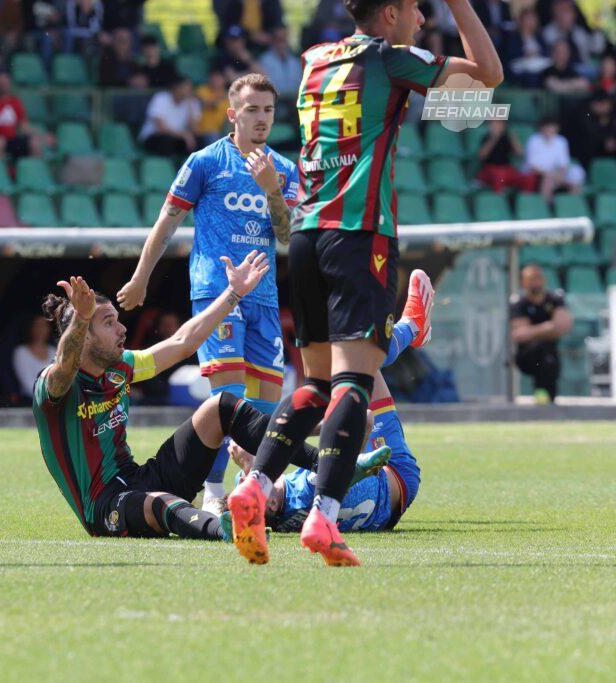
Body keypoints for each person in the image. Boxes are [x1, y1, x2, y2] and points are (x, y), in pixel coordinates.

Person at [228, 0, 501, 567]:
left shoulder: (314, 60)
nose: (424, 20)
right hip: (358, 235)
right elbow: (489, 76)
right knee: (354, 382)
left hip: (304, 234)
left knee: (315, 385)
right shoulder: (390, 59)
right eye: (419, 10)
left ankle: (254, 486)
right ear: (392, 13)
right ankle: (323, 519)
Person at [120, 73, 298, 516]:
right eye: (252, 110)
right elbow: (167, 222)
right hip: (218, 294)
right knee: (228, 401)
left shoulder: (284, 169)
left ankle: (250, 491)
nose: (261, 119)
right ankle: (215, 493)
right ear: (232, 114)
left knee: (264, 406)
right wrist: (142, 276)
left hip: (264, 297)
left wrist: (273, 191)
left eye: (268, 110)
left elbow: (289, 237)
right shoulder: (205, 162)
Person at [33, 255, 269, 540]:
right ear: (84, 336)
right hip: (105, 506)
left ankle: (324, 466)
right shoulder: (53, 386)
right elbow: (65, 368)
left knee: (222, 406)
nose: (122, 330)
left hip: (141, 479)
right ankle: (231, 530)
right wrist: (81, 319)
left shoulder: (121, 368)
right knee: (158, 503)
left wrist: (234, 293)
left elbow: (183, 342)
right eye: (109, 323)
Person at [228, 372, 419, 533]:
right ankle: (413, 329)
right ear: (271, 505)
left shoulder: (286, 520)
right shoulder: (311, 485)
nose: (247, 480)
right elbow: (365, 419)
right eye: (247, 485)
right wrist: (289, 429)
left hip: (386, 515)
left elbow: (251, 483)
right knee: (362, 361)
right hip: (396, 471)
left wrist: (248, 469)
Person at [510, 264, 572, 404]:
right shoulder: (519, 303)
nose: (536, 282)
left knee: (548, 354)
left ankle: (548, 400)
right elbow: (520, 335)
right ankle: (541, 394)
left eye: (539, 278)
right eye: (532, 278)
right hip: (527, 356)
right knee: (540, 348)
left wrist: (534, 331)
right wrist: (549, 327)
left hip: (551, 357)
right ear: (523, 282)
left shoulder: (555, 299)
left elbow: (563, 326)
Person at [0, 70, 45, 159]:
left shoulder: (15, 101)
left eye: (5, 83)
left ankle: (35, 170)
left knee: (35, 143)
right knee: (0, 141)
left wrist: (40, 135)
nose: (2, 85)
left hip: (13, 138)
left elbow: (23, 126)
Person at [138, 77, 202, 157]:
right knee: (166, 142)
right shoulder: (160, 98)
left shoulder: (191, 103)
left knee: (199, 141)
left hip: (177, 138)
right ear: (176, 88)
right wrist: (184, 135)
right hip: (154, 137)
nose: (188, 90)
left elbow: (195, 130)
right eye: (185, 87)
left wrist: (190, 105)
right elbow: (161, 128)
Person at [524, 117, 585, 201]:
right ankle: (547, 208)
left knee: (576, 177)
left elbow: (564, 164)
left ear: (557, 128)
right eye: (547, 127)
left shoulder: (561, 141)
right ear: (541, 128)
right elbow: (532, 167)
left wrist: (559, 175)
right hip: (538, 175)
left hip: (556, 174)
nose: (549, 129)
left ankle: (570, 207)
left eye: (552, 127)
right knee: (548, 181)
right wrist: (551, 175)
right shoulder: (534, 140)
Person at [476, 119, 536, 193]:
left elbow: (520, 153)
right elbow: (481, 156)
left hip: (507, 169)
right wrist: (493, 139)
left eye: (499, 124)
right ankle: (499, 201)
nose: (496, 126)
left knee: (528, 178)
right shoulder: (486, 138)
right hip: (490, 170)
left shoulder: (508, 138)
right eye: (493, 124)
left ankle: (525, 201)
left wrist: (514, 139)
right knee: (499, 175)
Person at [13, 315, 56, 401]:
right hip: (29, 402)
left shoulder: (54, 351)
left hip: (54, 402)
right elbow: (28, 384)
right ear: (31, 328)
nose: (40, 329)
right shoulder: (21, 352)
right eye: (37, 325)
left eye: (44, 325)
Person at [258, 26, 303, 104]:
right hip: (275, 102)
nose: (282, 42)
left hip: (295, 102)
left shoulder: (295, 61)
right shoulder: (264, 60)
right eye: (278, 39)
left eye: (284, 39)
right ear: (273, 40)